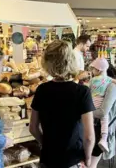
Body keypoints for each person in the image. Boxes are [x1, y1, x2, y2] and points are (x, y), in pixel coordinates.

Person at [29, 40, 96, 168]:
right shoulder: (82, 92)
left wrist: (45, 144)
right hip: (73, 158)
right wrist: (88, 158)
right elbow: (89, 136)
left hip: (48, 158)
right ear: (71, 61)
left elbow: (33, 128)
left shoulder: (42, 90)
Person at [90, 62, 116, 168]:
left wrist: (84, 113)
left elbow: (102, 112)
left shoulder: (112, 87)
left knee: (92, 163)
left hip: (100, 128)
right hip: (104, 127)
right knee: (93, 161)